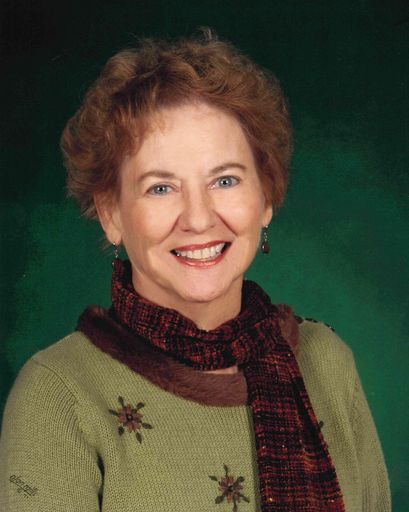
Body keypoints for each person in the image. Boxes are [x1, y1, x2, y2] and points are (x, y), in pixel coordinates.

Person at [0, 30, 390, 512]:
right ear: (111, 213)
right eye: (161, 188)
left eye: (224, 180)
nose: (200, 219)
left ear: (266, 196)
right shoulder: (59, 393)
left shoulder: (326, 362)